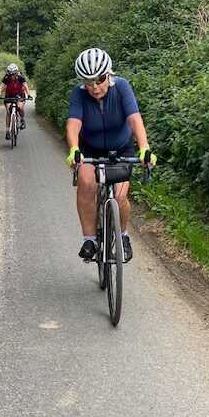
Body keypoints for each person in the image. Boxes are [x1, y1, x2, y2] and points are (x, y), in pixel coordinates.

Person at [66, 47, 157, 262]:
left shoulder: (122, 87)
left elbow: (134, 119)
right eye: (88, 82)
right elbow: (73, 124)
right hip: (90, 149)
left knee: (119, 195)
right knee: (86, 183)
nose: (95, 87)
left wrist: (144, 148)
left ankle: (123, 235)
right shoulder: (79, 93)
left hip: (121, 148)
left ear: (109, 75)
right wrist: (74, 149)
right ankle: (90, 240)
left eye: (99, 80)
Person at [0, 63, 32, 140]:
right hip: (9, 95)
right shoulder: (7, 77)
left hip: (20, 94)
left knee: (19, 107)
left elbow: (25, 86)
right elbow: (1, 86)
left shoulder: (20, 77)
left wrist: (29, 94)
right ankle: (7, 131)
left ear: (16, 73)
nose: (12, 76)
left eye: (13, 74)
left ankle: (22, 119)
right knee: (8, 111)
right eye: (10, 74)